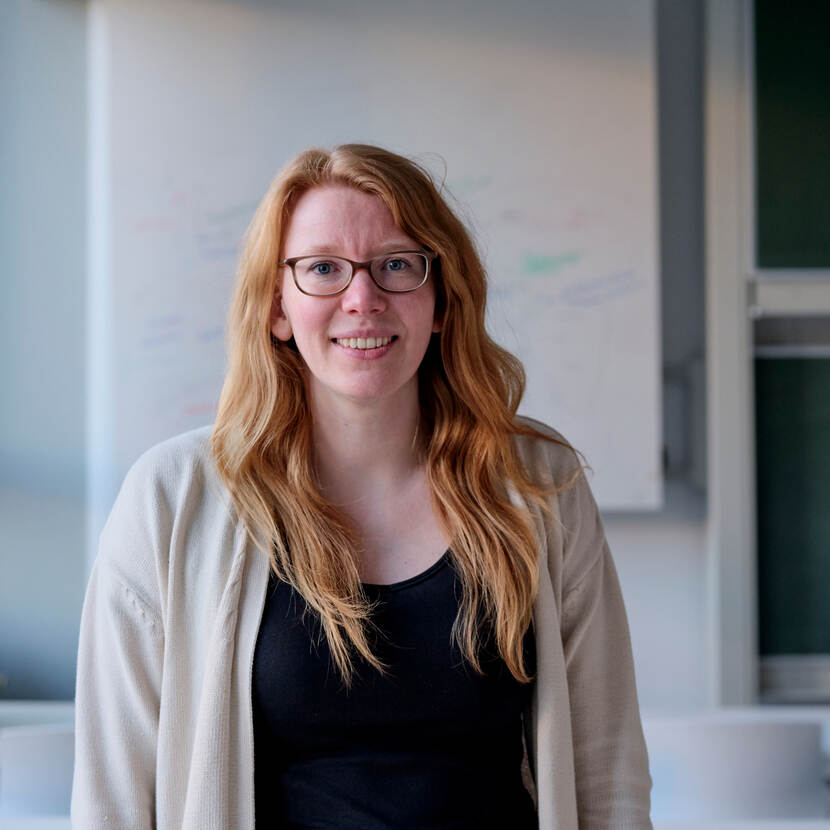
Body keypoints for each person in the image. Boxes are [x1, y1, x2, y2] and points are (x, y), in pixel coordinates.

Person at [71, 143, 652, 829]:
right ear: (278, 307)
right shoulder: (171, 500)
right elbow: (113, 796)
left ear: (440, 301)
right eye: (322, 269)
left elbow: (607, 774)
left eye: (397, 265)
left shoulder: (537, 484)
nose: (363, 298)